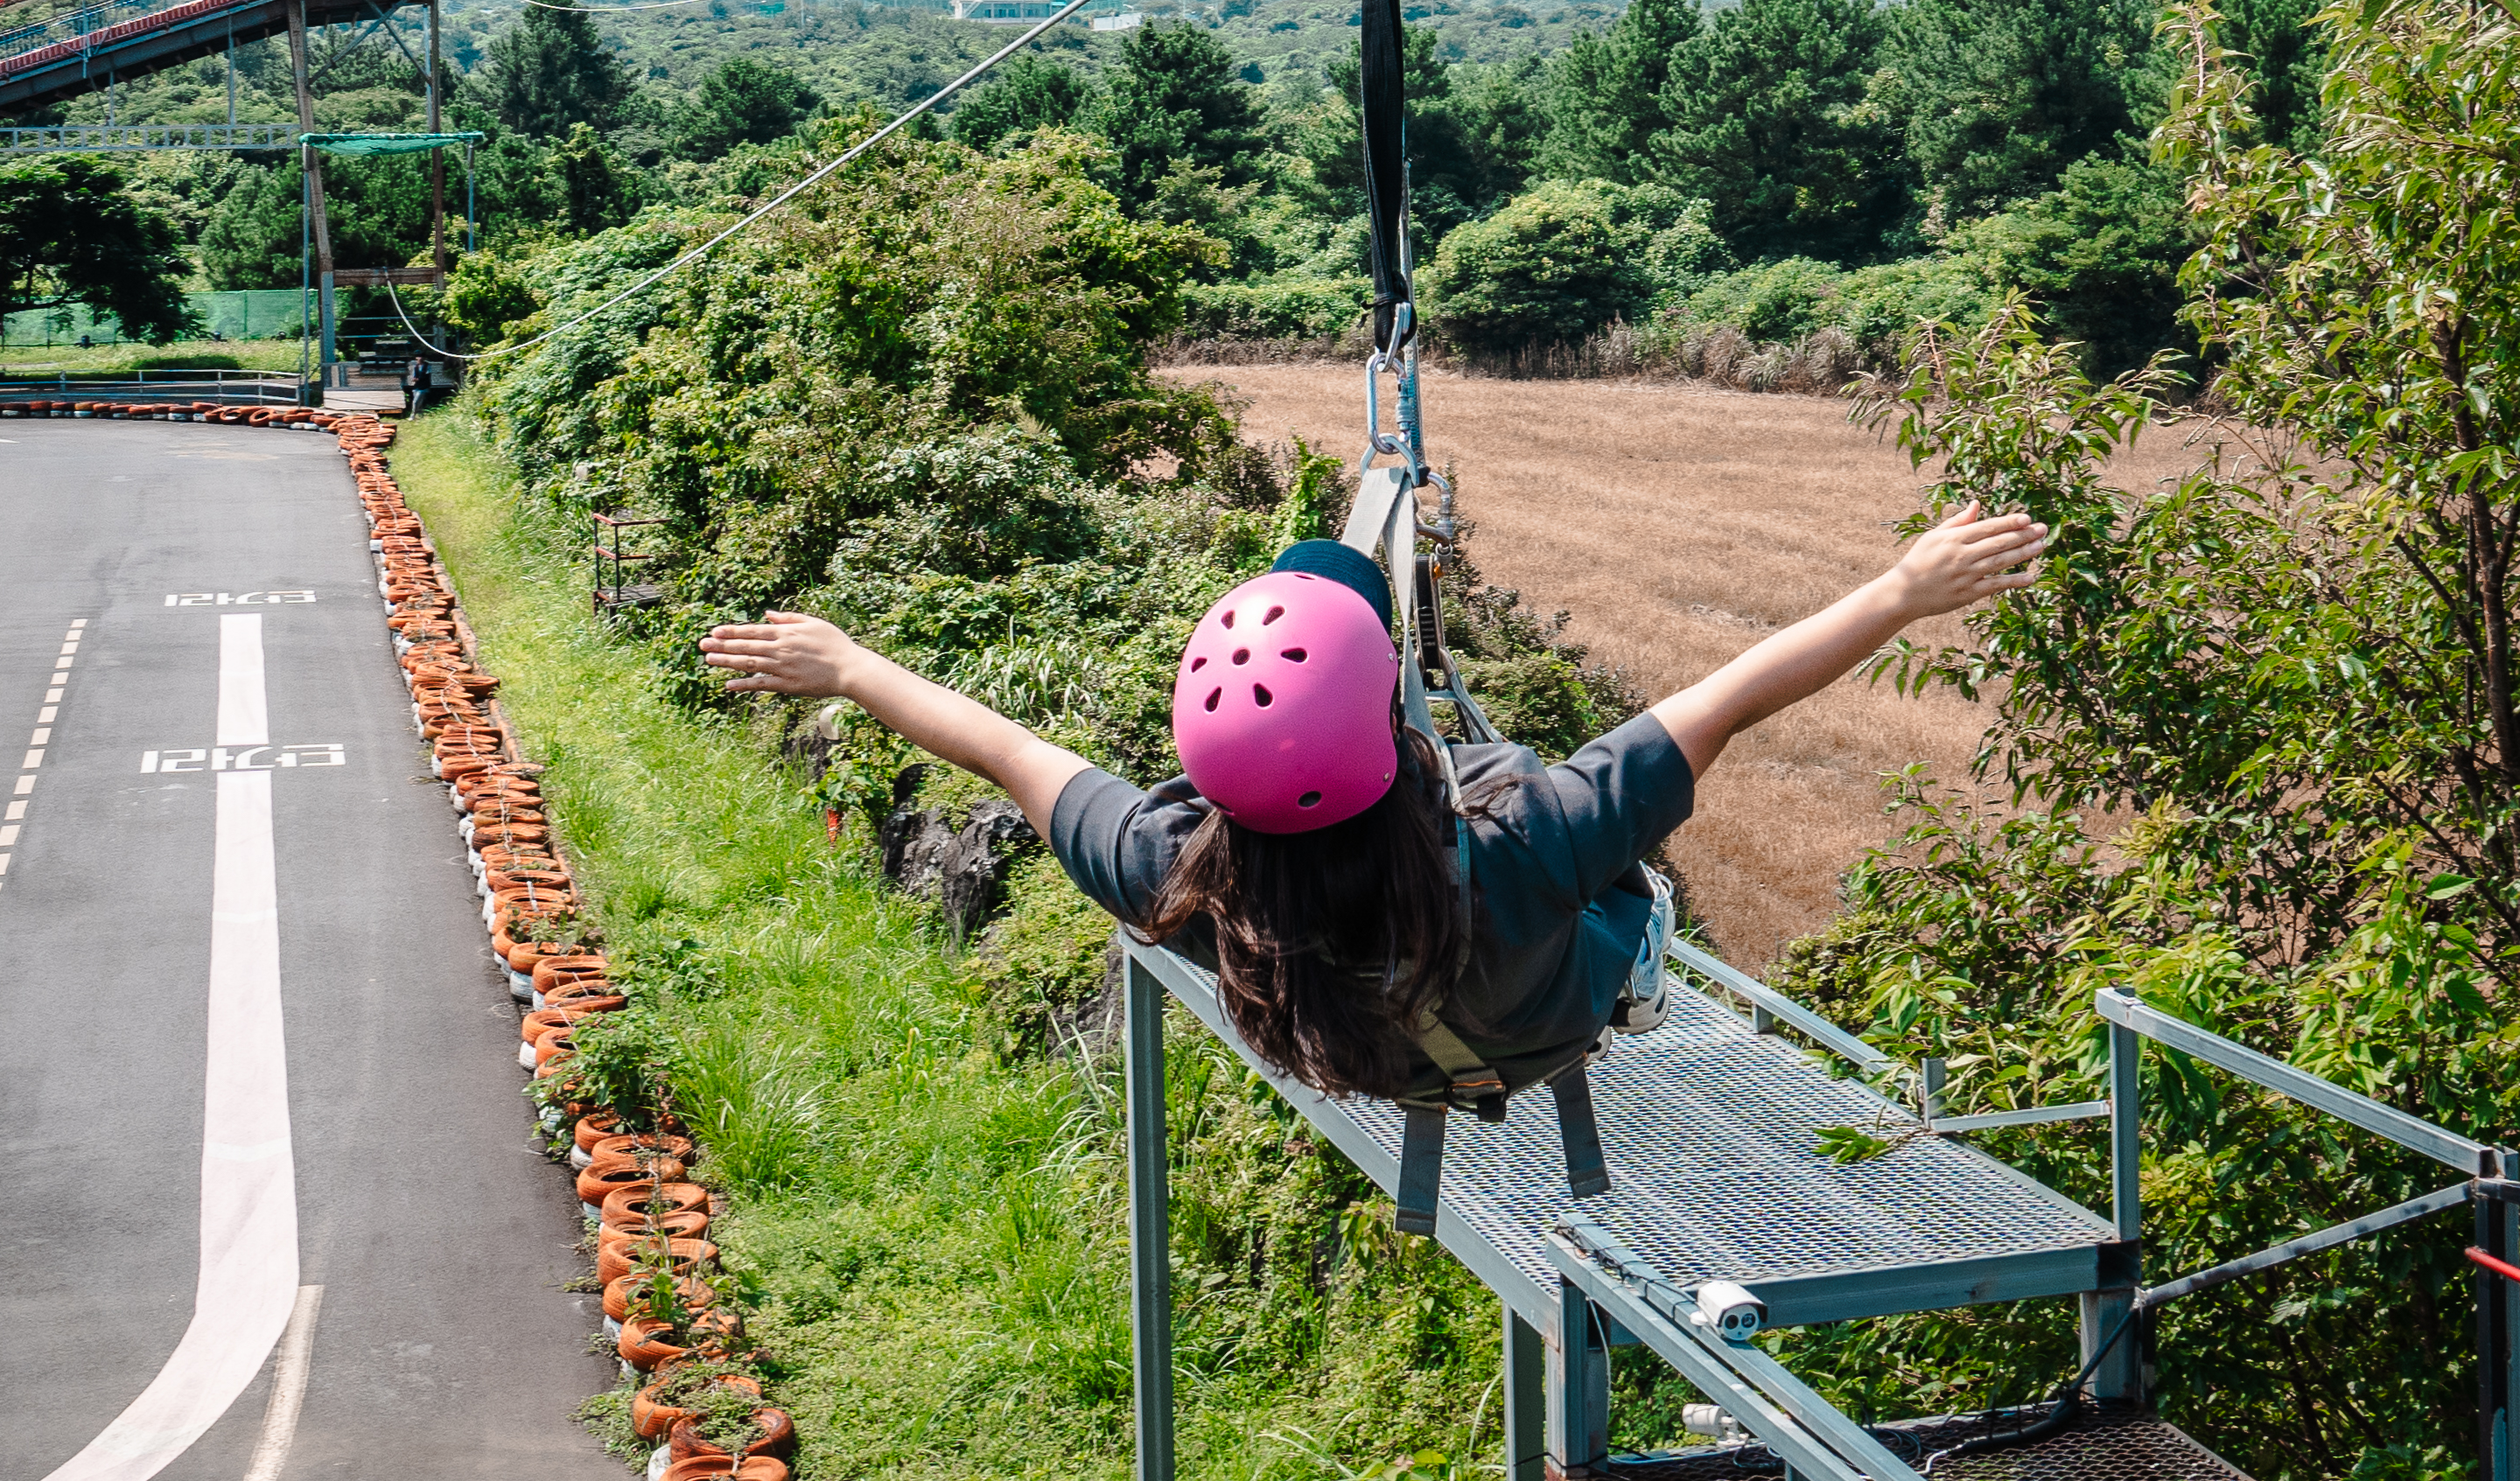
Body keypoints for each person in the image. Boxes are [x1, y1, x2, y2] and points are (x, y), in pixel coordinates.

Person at [699, 499, 2043, 1121]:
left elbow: (1004, 751)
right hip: (1554, 1017)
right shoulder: (1527, 833)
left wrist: (849, 665)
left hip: (1363, 1055)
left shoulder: (1175, 870)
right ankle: (1636, 971)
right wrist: (1902, 589)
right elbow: (1731, 693)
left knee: (1533, 803)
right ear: (1391, 724)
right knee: (1600, 855)